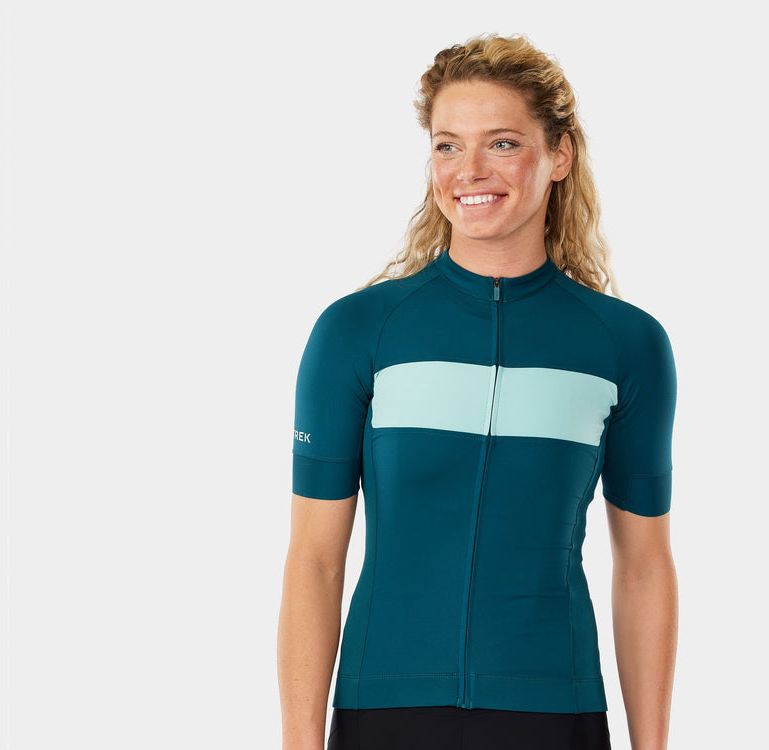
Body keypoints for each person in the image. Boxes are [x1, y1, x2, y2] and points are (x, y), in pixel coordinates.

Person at [278, 34, 678, 750]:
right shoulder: (358, 331)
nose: (470, 171)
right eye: (447, 145)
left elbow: (644, 566)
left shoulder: (624, 344)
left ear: (559, 155)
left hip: (554, 713)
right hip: (385, 711)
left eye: (502, 143)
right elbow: (314, 560)